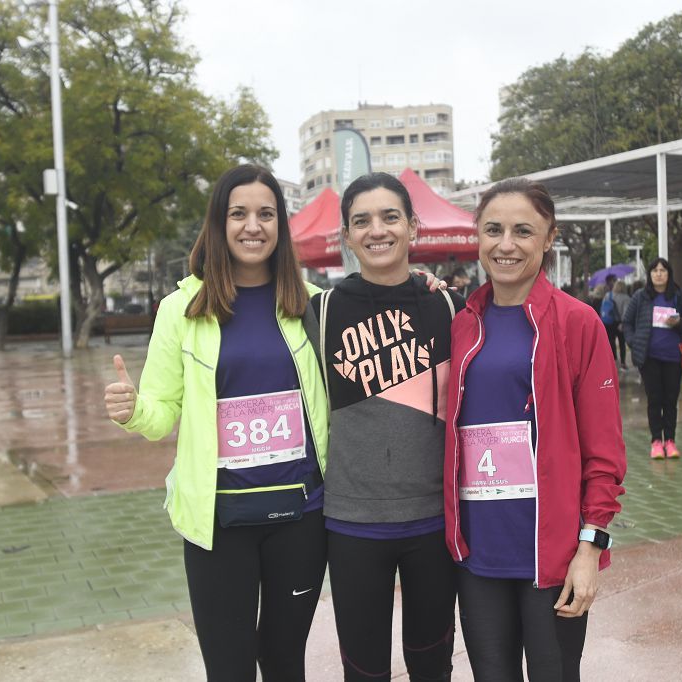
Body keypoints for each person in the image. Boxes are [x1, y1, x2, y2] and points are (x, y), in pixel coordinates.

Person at [104, 164, 329, 681]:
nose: (253, 226)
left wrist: (421, 284)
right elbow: (161, 415)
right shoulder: (180, 309)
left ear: (281, 226)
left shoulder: (315, 306)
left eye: (266, 214)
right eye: (239, 214)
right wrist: (134, 409)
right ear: (219, 224)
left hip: (301, 517)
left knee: (284, 662)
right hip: (217, 526)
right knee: (228, 669)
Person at [443, 178, 627, 681]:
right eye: (493, 230)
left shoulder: (578, 323)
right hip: (478, 555)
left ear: (549, 238)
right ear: (477, 237)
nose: (506, 244)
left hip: (554, 556)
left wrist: (590, 549)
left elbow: (605, 456)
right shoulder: (460, 323)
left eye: (523, 231)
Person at [304, 172, 464, 682]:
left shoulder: (447, 307)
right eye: (362, 221)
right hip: (352, 523)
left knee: (431, 662)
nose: (377, 230)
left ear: (413, 227)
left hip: (434, 522)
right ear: (346, 236)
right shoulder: (320, 311)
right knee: (364, 670)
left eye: (390, 217)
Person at [623, 257, 682, 459]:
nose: (659, 274)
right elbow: (626, 322)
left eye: (663, 270)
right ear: (649, 274)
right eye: (655, 270)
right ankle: (656, 441)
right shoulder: (641, 297)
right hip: (649, 359)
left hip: (674, 357)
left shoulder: (679, 297)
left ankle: (671, 441)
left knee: (670, 400)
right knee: (654, 400)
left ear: (669, 274)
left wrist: (679, 322)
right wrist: (634, 342)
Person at [611, 280, 631, 368]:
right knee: (622, 343)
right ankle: (623, 362)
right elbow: (626, 312)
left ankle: (614, 360)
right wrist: (623, 323)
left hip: (609, 322)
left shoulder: (609, 295)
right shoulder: (626, 298)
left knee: (611, 342)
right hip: (620, 323)